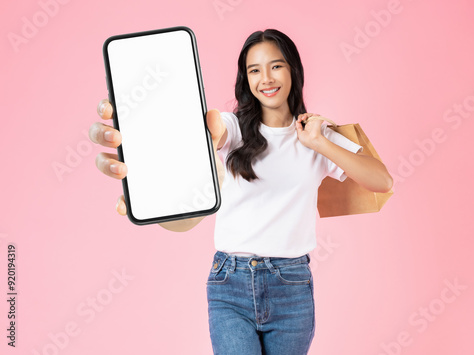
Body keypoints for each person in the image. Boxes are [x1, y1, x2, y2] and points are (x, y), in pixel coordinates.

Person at [89, 28, 393, 355]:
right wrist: (157, 121)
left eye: (276, 66)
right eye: (254, 70)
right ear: (245, 79)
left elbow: (382, 181)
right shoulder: (234, 129)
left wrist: (319, 142)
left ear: (293, 69)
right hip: (229, 283)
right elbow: (213, 129)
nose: (266, 78)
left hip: (290, 287)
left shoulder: (316, 135)